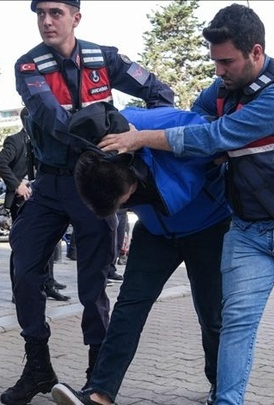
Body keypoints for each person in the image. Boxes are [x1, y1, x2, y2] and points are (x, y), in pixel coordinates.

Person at [97, 5, 274, 405]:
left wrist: (141, 138)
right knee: (236, 322)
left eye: (227, 62)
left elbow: (213, 136)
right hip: (248, 231)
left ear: (256, 52)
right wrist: (216, 140)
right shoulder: (223, 88)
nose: (218, 71)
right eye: (215, 62)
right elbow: (199, 119)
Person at [0, 1, 174, 404]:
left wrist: (140, 134)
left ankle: (97, 377)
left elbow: (159, 91)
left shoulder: (104, 58)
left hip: (94, 185)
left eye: (56, 13)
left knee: (93, 284)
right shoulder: (29, 66)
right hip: (50, 183)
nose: (47, 21)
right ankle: (38, 367)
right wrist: (105, 130)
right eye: (41, 13)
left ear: (75, 18)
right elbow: (53, 119)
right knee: (24, 269)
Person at [51, 104, 230, 405]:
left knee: (211, 313)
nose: (126, 206)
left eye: (126, 201)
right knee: (129, 307)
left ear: (132, 179)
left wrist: (147, 139)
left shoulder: (161, 122)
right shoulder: (94, 154)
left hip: (207, 226)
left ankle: (222, 388)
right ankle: (100, 394)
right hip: (156, 232)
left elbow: (218, 137)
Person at [0, 107, 70, 302]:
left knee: (48, 242)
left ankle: (48, 284)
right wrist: (17, 184)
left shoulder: (43, 139)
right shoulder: (16, 140)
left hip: (43, 197)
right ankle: (18, 290)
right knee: (22, 245)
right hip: (22, 199)